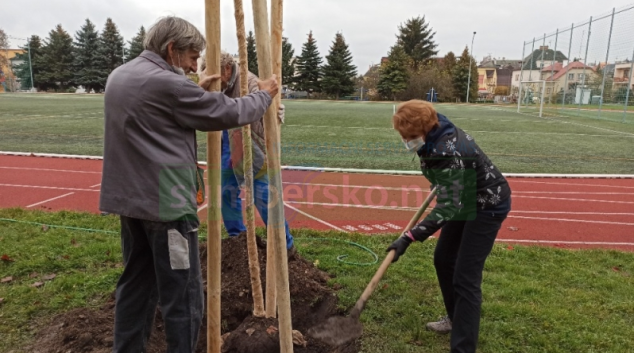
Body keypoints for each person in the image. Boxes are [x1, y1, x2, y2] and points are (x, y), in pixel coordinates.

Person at [99, 16, 279, 353]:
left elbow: (158, 113)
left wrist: (192, 89)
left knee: (136, 284)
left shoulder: (122, 75)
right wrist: (264, 96)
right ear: (172, 49)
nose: (196, 65)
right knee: (183, 295)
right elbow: (224, 112)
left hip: (129, 200)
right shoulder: (168, 84)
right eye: (193, 57)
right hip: (166, 204)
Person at [387, 100, 511, 353]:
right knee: (444, 259)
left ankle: (463, 348)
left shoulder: (446, 149)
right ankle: (455, 318)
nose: (406, 141)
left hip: (486, 205)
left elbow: (448, 207)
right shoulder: (435, 130)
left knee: (466, 277)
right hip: (464, 198)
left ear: (423, 129)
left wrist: (409, 237)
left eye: (410, 136)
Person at [199, 52, 294, 252]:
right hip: (228, 137)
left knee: (263, 194)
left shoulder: (248, 81)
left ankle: (284, 244)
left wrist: (273, 113)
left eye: (216, 76)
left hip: (250, 142)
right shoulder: (215, 82)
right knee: (226, 191)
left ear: (227, 69)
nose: (214, 81)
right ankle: (237, 239)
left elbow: (260, 104)